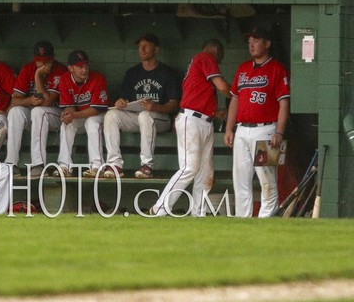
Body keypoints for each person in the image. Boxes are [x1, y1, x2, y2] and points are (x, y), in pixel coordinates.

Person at [150, 39, 231, 216]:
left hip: (203, 121)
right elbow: (223, 87)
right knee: (190, 168)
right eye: (221, 58)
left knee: (205, 172)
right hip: (191, 120)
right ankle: (160, 208)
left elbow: (199, 96)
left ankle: (198, 213)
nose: (219, 62)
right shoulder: (205, 57)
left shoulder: (200, 65)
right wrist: (239, 94)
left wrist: (217, 112)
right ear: (216, 51)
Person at [224, 27, 290, 218]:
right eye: (249, 41)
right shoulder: (243, 68)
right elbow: (234, 99)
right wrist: (229, 128)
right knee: (241, 180)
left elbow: (284, 102)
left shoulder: (277, 68)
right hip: (242, 130)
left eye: (256, 40)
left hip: (266, 129)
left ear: (267, 44)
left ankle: (266, 221)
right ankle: (243, 220)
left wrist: (279, 131)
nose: (251, 44)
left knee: (267, 179)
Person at [102, 33, 180, 179]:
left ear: (156, 49)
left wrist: (155, 107)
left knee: (146, 115)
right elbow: (124, 98)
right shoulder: (132, 73)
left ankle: (146, 166)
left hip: (160, 119)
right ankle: (115, 164)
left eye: (146, 46)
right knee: (111, 115)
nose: (142, 50)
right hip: (136, 118)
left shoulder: (167, 73)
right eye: (140, 47)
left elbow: (174, 105)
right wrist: (120, 103)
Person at [4, 40, 68, 178]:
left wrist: (38, 76)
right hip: (36, 116)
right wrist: (29, 100)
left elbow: (47, 102)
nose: (42, 64)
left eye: (45, 60)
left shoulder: (60, 70)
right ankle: (11, 163)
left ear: (52, 58)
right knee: (15, 112)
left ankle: (38, 164)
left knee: (39, 111)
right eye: (39, 60)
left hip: (57, 116)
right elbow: (14, 100)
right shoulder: (27, 68)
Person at [54, 50, 109, 178]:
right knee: (66, 124)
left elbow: (96, 109)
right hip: (80, 115)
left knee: (92, 122)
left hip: (100, 115)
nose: (84, 70)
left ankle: (97, 166)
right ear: (70, 68)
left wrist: (73, 115)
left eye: (86, 66)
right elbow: (70, 106)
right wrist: (68, 115)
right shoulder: (65, 79)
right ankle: (64, 166)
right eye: (80, 67)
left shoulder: (98, 78)